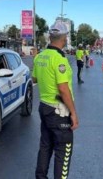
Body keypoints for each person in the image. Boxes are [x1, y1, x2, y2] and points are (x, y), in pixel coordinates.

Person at [33, 21, 79, 179]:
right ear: (64, 38)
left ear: (50, 37)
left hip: (44, 107)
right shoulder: (59, 59)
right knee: (63, 151)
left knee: (45, 146)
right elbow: (63, 89)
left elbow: (34, 79)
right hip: (59, 111)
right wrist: (73, 113)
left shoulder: (40, 57)